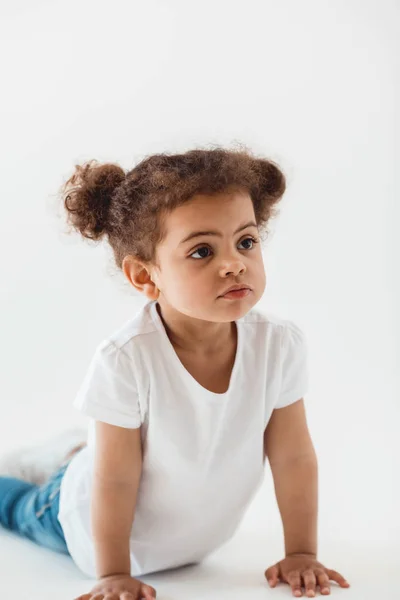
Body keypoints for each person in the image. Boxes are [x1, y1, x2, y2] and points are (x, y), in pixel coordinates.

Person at [0, 146, 350, 599]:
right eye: (202, 251)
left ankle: (72, 451)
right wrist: (113, 573)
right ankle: (62, 464)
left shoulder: (278, 345)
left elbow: (293, 457)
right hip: (81, 523)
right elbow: (115, 479)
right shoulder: (126, 359)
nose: (234, 263)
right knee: (17, 505)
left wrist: (301, 552)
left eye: (246, 241)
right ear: (146, 277)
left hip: (190, 544)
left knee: (112, 449)